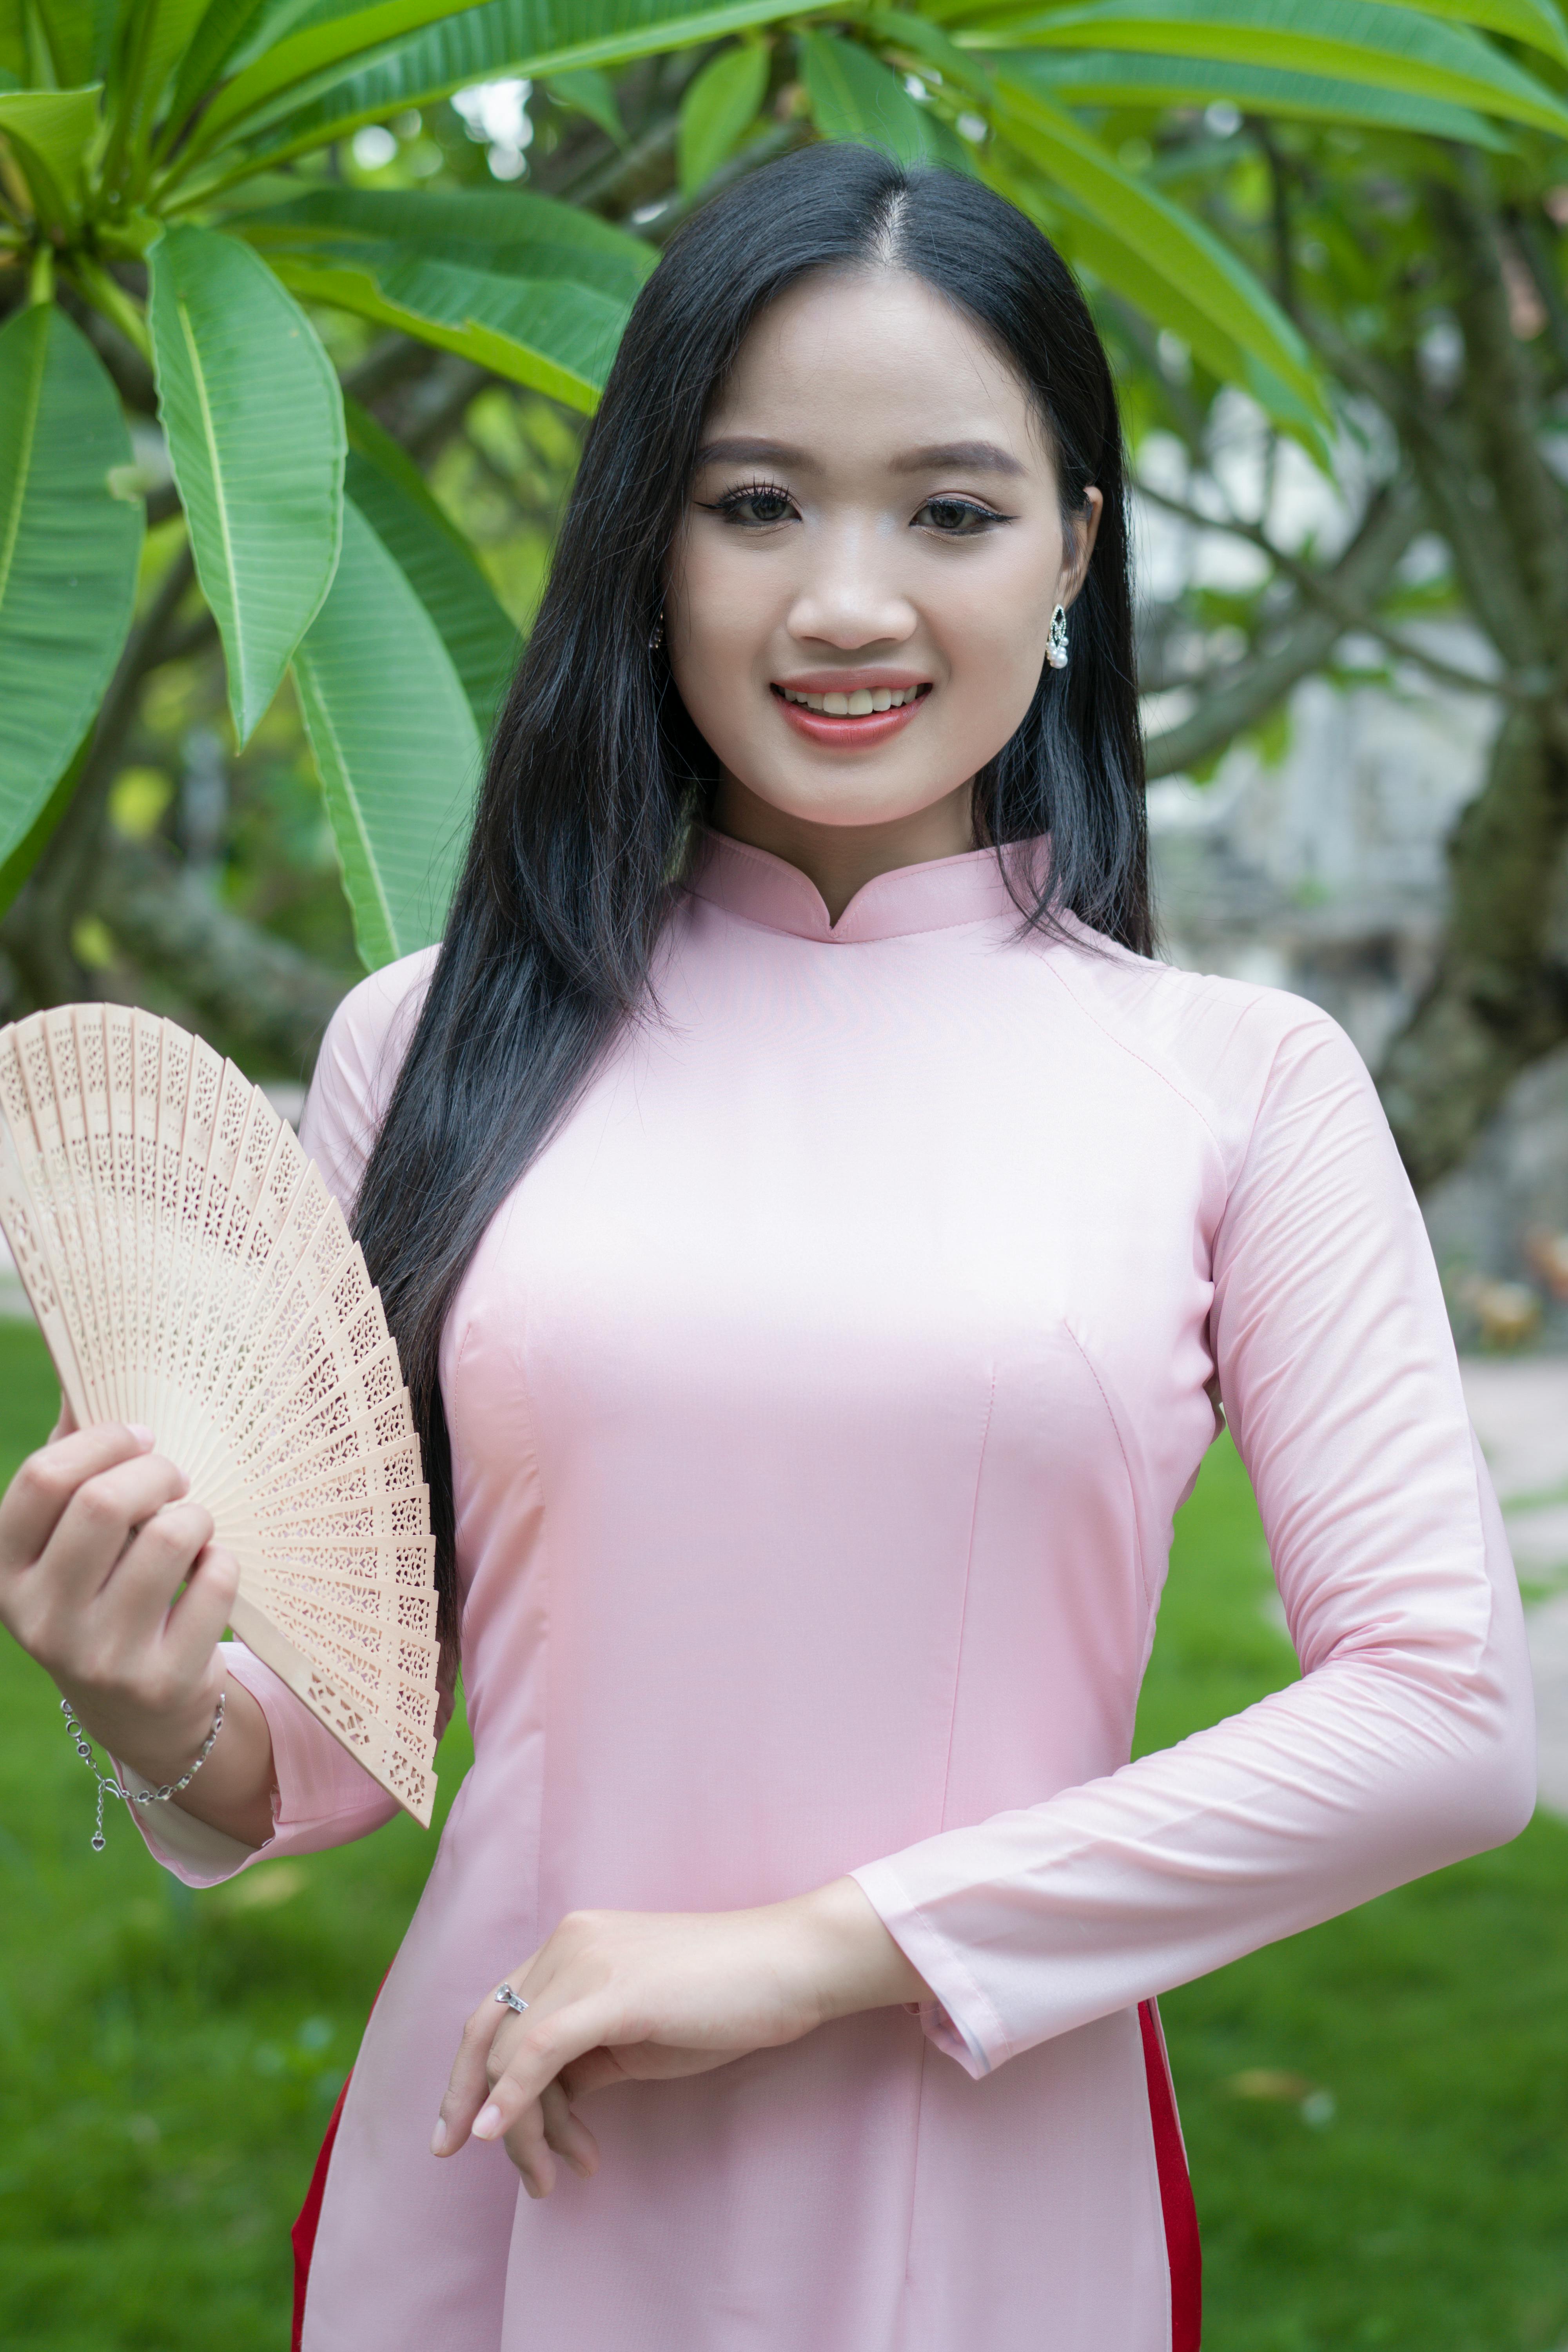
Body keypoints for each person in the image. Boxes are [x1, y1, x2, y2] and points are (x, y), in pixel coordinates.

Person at [0, 142, 1534, 2352]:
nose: (844, 603)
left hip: (992, 2196)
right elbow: (335, 1744)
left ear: (1076, 551)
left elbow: (1449, 1717)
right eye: (752, 506)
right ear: (645, 544)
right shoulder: (428, 1044)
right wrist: (142, 1703)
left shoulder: (1238, 1085)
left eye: (951, 509)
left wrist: (818, 1948)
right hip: (494, 2186)